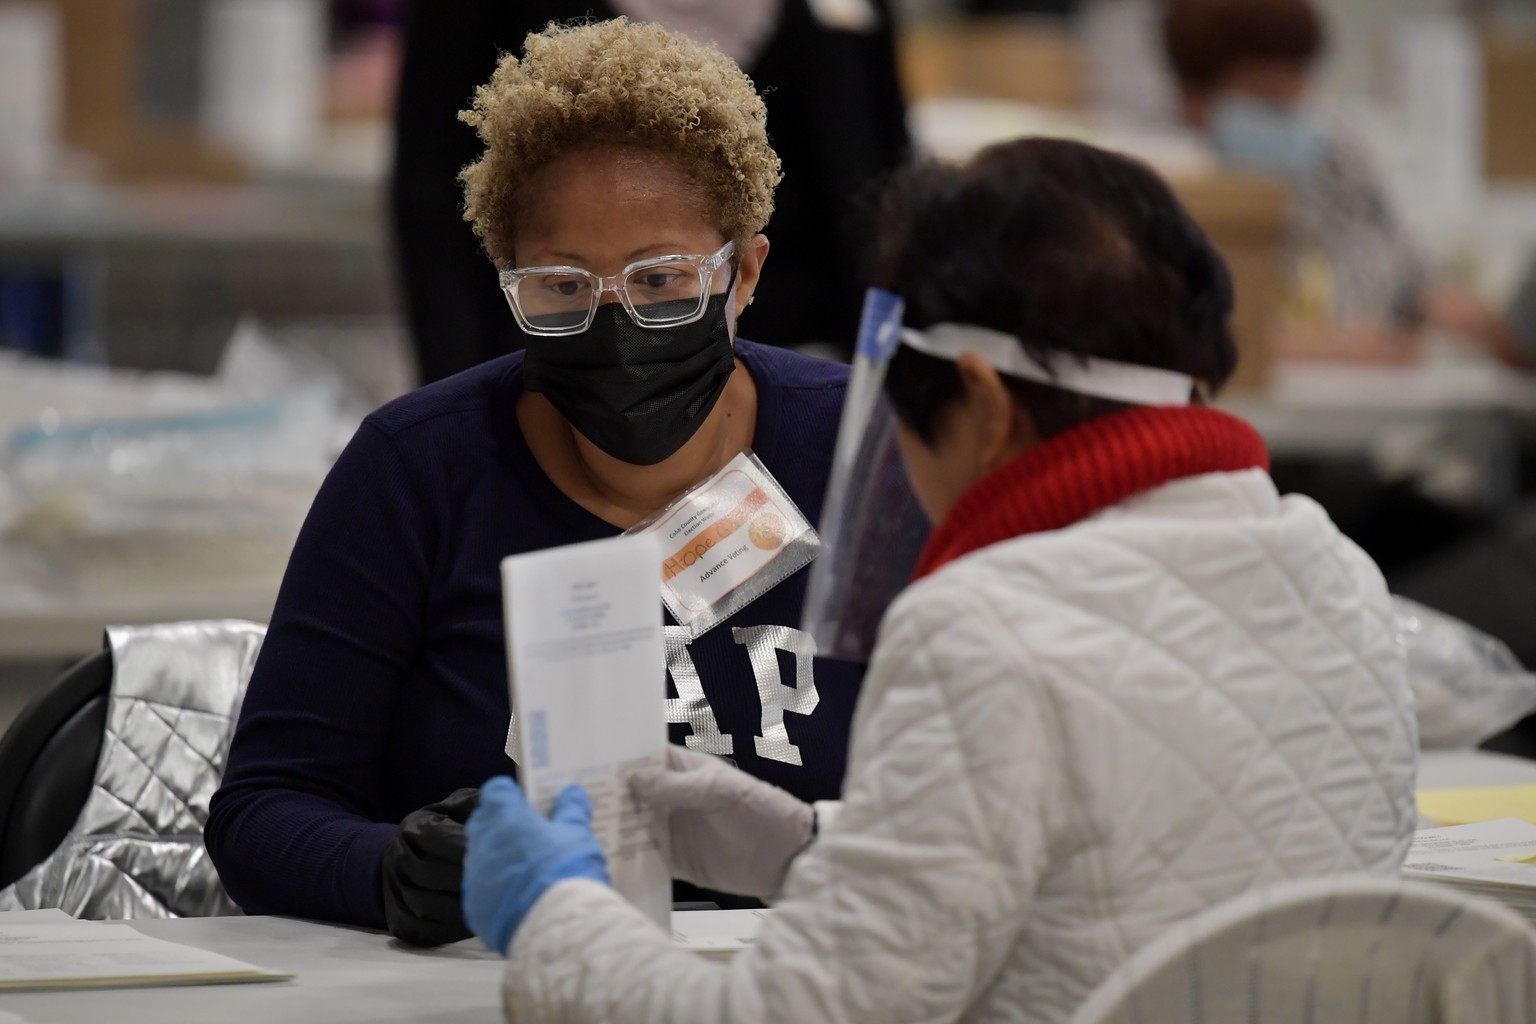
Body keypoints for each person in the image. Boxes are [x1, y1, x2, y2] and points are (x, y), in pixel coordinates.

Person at [459, 137, 1419, 1022]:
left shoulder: (981, 628)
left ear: (986, 406)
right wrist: (803, 846)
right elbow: (1134, 870)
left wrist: (554, 918)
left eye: (911, 417)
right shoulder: (1333, 570)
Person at [205, 18, 866, 947]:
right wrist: (392, 871)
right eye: (560, 288)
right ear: (505, 282)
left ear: (744, 273)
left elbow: (984, 789)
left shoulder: (860, 454)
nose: (617, 324)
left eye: (663, 280)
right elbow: (264, 811)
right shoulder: (419, 469)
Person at [390, 0, 910, 383]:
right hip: (571, 367)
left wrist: (892, 387)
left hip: (809, 354)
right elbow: (433, 198)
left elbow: (885, 178)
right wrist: (463, 397)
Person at [1161, 0, 1518, 363]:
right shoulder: (1169, 190)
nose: (1292, 106)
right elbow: (1173, 337)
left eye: (1298, 83)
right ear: (1194, 98)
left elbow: (1409, 273)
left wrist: (1445, 303)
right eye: (1266, 96)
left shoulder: (1335, 163)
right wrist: (1325, 346)